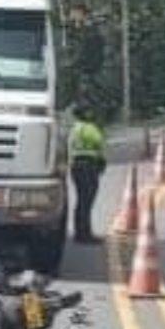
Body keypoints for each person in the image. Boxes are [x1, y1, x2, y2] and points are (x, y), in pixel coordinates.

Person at [68, 104, 106, 243]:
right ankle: (85, 234)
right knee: (87, 201)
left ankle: (80, 232)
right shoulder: (89, 128)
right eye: (89, 111)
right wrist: (102, 161)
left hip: (76, 166)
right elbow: (99, 142)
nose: (91, 113)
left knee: (81, 201)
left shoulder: (74, 128)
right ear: (85, 113)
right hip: (88, 166)